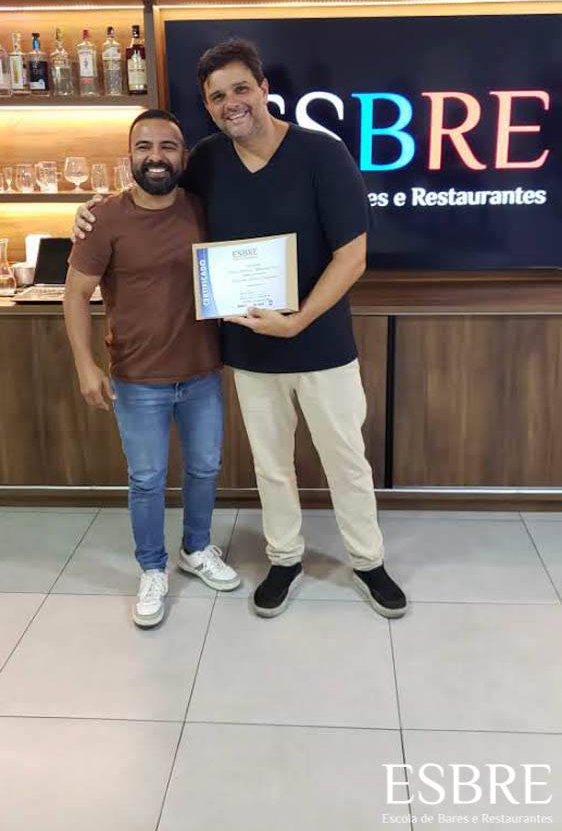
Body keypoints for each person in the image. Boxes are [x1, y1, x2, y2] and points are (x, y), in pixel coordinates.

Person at [74, 39, 406, 621]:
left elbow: (352, 256)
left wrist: (298, 321)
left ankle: (368, 560)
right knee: (271, 466)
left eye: (241, 89)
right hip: (250, 350)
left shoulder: (322, 153)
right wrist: (88, 212)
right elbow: (151, 189)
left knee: (346, 461)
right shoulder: (207, 160)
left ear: (264, 89)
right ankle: (284, 558)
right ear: (207, 105)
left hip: (322, 344)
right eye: (217, 96)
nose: (231, 103)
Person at [64, 109, 240, 629]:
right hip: (137, 378)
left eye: (167, 146)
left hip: (202, 371)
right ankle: (153, 568)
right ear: (130, 156)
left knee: (205, 467)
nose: (156, 156)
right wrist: (85, 366)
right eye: (144, 147)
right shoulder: (104, 218)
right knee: (146, 479)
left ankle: (196, 548)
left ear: (183, 156)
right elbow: (75, 295)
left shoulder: (204, 209)